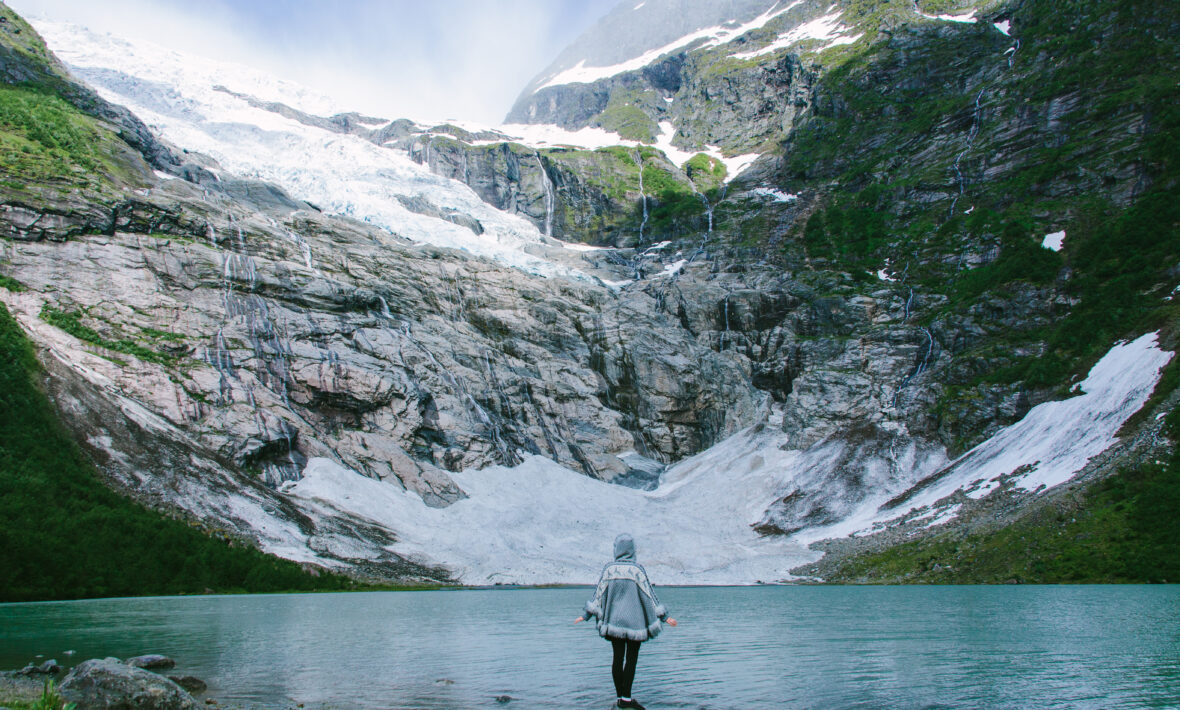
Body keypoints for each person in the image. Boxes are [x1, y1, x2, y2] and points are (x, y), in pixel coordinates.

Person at [575, 533, 677, 710]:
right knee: (631, 660)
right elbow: (650, 596)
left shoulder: (609, 569)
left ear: (616, 549)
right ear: (632, 550)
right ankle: (626, 699)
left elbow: (598, 595)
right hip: (635, 624)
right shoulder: (637, 570)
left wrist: (586, 615)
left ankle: (620, 698)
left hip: (614, 623)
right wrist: (664, 617)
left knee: (617, 659)